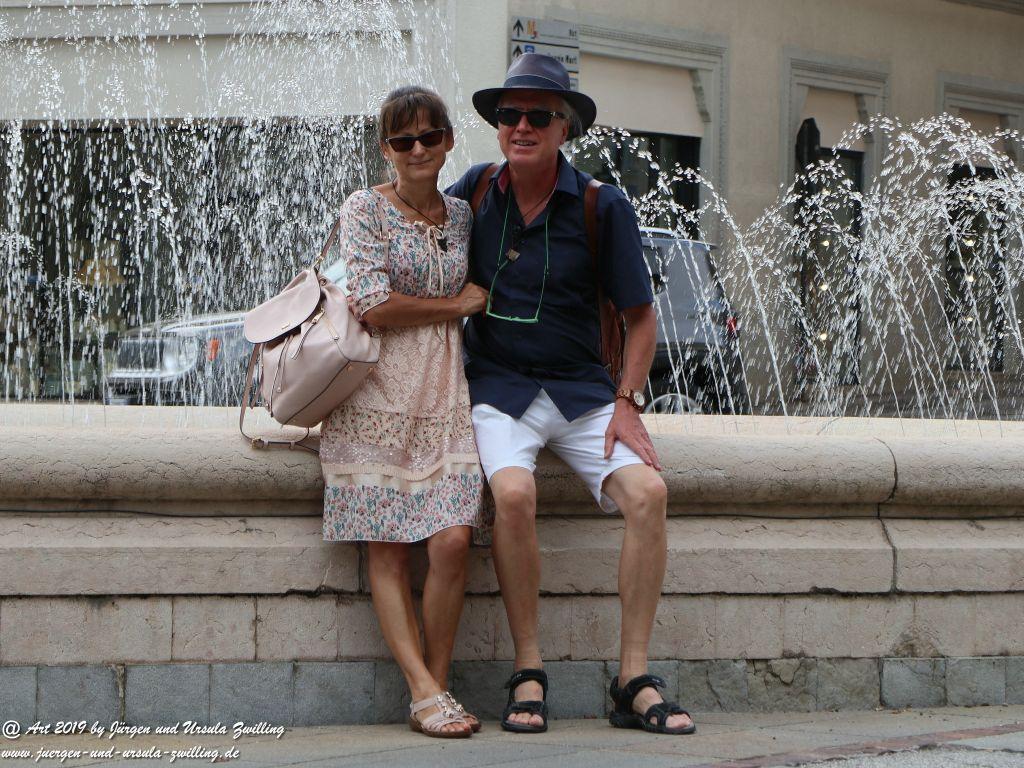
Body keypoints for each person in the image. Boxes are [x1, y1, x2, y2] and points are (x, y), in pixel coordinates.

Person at [447, 54, 695, 736]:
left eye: (538, 116)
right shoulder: (474, 191)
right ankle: (528, 668)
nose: (521, 127)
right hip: (499, 388)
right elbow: (419, 245)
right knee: (513, 496)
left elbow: (639, 317)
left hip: (584, 392)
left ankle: (633, 678)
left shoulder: (600, 204)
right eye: (509, 115)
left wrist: (628, 401)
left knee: (649, 494)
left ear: (565, 129)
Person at [320, 85, 489, 739]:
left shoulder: (463, 214)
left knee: (452, 539)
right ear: (385, 149)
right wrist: (456, 306)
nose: (417, 149)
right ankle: (425, 693)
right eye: (402, 139)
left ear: (448, 141)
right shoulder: (364, 208)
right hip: (377, 395)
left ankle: (435, 689)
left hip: (444, 393)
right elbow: (372, 304)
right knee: (388, 549)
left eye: (429, 136)